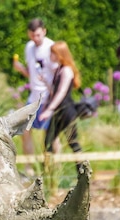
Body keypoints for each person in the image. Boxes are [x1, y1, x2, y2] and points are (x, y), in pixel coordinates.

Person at [13, 18, 59, 174]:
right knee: (25, 131)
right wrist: (20, 69)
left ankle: (53, 169)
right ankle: (29, 169)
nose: (36, 38)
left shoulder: (51, 47)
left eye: (38, 35)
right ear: (29, 34)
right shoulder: (29, 47)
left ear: (44, 32)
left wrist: (55, 97)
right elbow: (32, 73)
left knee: (52, 134)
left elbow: (58, 74)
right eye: (33, 35)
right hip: (33, 97)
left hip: (48, 97)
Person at [38, 41, 83, 171]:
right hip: (58, 111)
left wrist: (49, 109)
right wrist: (45, 82)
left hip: (67, 111)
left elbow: (62, 92)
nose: (51, 55)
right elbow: (55, 92)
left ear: (59, 54)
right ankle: (48, 171)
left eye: (53, 52)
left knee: (73, 142)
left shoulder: (67, 70)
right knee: (49, 140)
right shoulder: (58, 69)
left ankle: (82, 170)